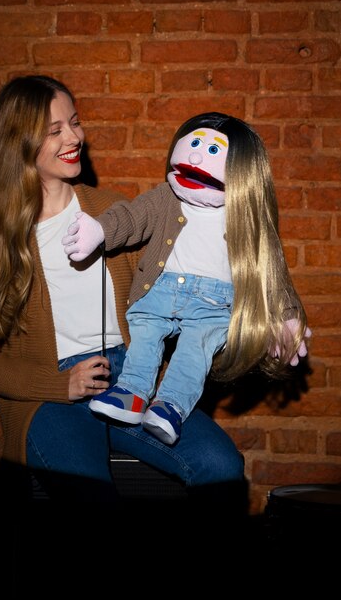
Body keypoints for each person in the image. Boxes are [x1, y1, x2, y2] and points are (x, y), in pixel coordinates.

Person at [0, 77, 246, 514]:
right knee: (94, 503)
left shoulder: (112, 210)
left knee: (221, 466)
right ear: (20, 141)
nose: (74, 138)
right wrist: (60, 384)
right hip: (49, 394)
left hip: (132, 373)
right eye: (55, 131)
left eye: (74, 122)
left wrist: (247, 321)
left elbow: (178, 287)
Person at [63, 112, 311, 446]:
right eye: (194, 143)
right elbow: (131, 217)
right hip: (158, 291)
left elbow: (270, 270)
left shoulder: (245, 217)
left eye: (211, 151)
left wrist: (285, 314)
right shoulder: (165, 197)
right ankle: (131, 394)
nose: (195, 155)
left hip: (214, 305)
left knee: (195, 351)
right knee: (146, 336)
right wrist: (101, 230)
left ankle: (170, 408)